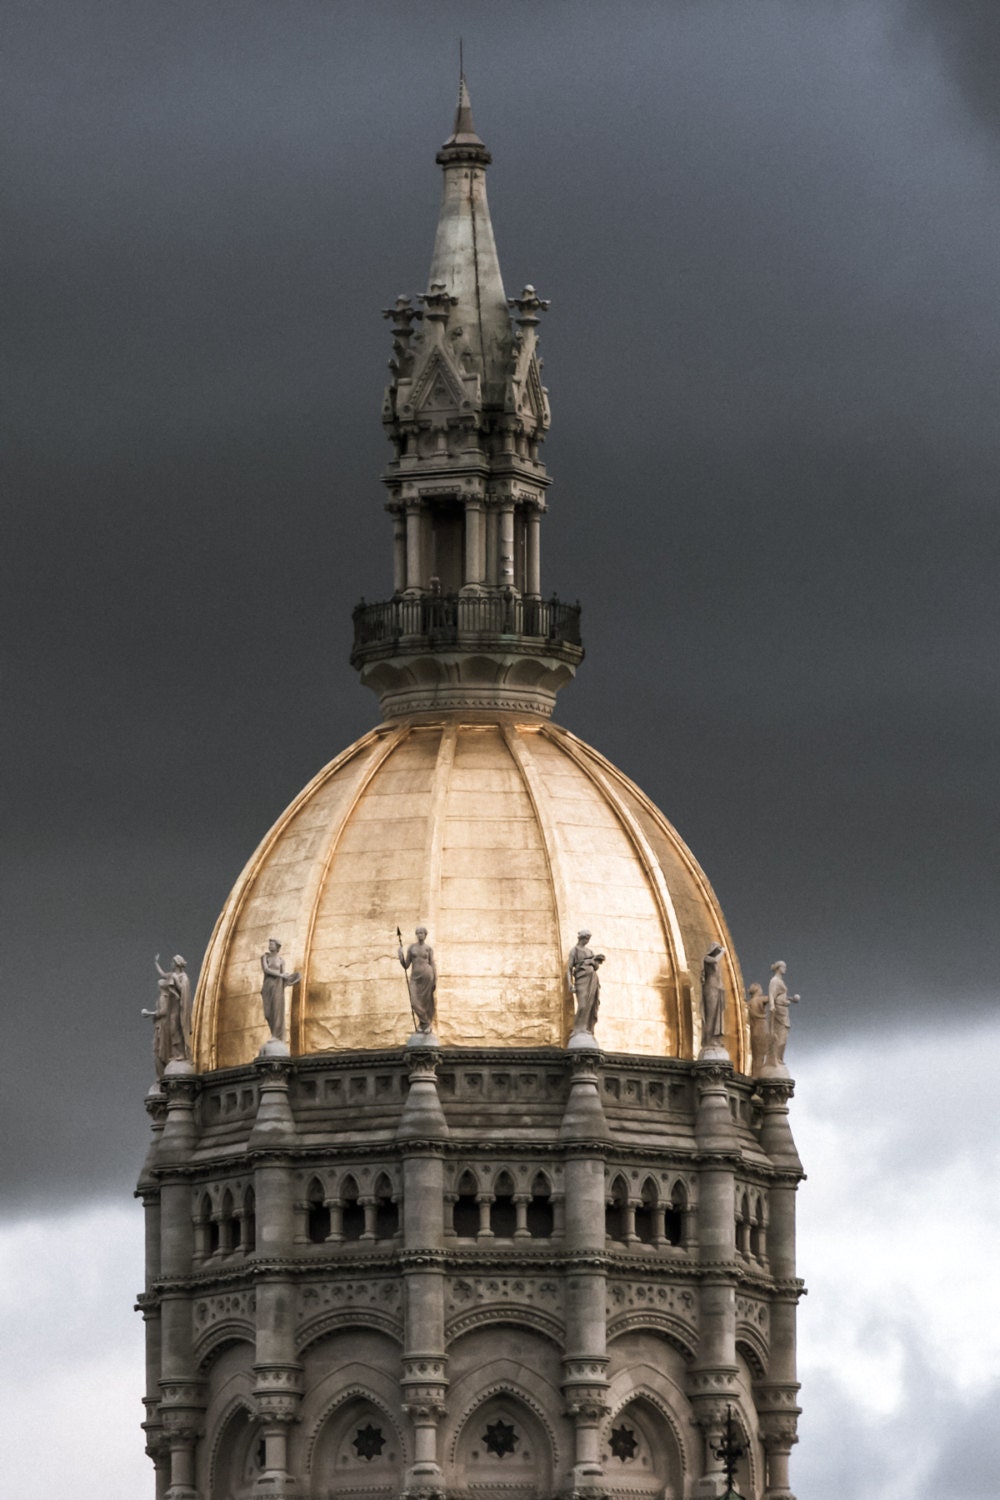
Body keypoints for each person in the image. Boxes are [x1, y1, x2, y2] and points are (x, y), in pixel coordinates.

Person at [260, 939, 300, 1044]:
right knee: (268, 1013)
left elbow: (283, 975)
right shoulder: (265, 957)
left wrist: (291, 978)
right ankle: (273, 1031)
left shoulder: (281, 960)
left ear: (277, 946)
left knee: (277, 1010)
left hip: (277, 986)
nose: (270, 946)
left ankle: (276, 1035)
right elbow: (266, 969)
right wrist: (280, 975)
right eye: (269, 944)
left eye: (272, 944)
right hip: (268, 986)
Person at [398, 927, 436, 1032]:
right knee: (414, 1002)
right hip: (415, 978)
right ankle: (425, 1022)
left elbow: (432, 963)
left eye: (422, 933)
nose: (420, 935)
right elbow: (406, 965)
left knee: (426, 1002)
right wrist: (401, 957)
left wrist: (435, 980)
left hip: (427, 976)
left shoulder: (428, 948)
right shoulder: (412, 948)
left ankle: (424, 1025)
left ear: (425, 935)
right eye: (418, 933)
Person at [568, 930, 605, 1036]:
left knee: (590, 1004)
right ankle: (577, 1028)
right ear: (581, 938)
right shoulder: (574, 950)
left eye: (588, 939)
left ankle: (586, 1027)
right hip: (581, 980)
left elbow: (596, 967)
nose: (587, 941)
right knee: (582, 1005)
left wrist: (595, 961)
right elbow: (569, 968)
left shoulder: (590, 952)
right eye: (586, 938)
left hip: (592, 979)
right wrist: (570, 984)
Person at [154, 952, 189, 1061]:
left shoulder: (184, 978)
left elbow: (183, 991)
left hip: (179, 1008)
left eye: (172, 962)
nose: (171, 964)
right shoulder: (172, 975)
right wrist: (156, 963)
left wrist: (175, 979)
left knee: (176, 1028)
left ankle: (181, 1053)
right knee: (172, 1029)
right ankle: (176, 1053)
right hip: (172, 1007)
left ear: (177, 964)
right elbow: (163, 974)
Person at [766, 961, 799, 1067]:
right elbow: (771, 994)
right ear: (778, 968)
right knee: (781, 1035)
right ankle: (775, 1058)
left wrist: (791, 999)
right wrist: (772, 1006)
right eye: (784, 967)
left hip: (783, 1010)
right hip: (779, 1011)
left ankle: (779, 1058)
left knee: (783, 1035)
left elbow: (781, 995)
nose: (785, 969)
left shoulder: (779, 980)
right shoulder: (774, 981)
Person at [141, 978, 173, 1079]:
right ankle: (161, 1074)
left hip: (162, 1027)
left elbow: (163, 1012)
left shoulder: (164, 998)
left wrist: (149, 1013)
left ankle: (162, 1074)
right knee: (158, 1050)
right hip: (160, 1027)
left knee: (160, 1050)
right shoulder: (164, 997)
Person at [700, 943, 727, 1047]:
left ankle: (715, 1039)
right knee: (710, 1016)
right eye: (717, 949)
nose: (718, 951)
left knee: (717, 1017)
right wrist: (723, 952)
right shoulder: (707, 959)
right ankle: (708, 1041)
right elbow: (715, 960)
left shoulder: (715, 962)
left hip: (717, 990)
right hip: (710, 989)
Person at [746, 982, 770, 1077]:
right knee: (761, 1056)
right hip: (762, 1029)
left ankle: (755, 1074)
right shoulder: (760, 1000)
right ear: (758, 990)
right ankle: (758, 1076)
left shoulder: (748, 1004)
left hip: (753, 1031)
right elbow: (772, 999)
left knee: (755, 1057)